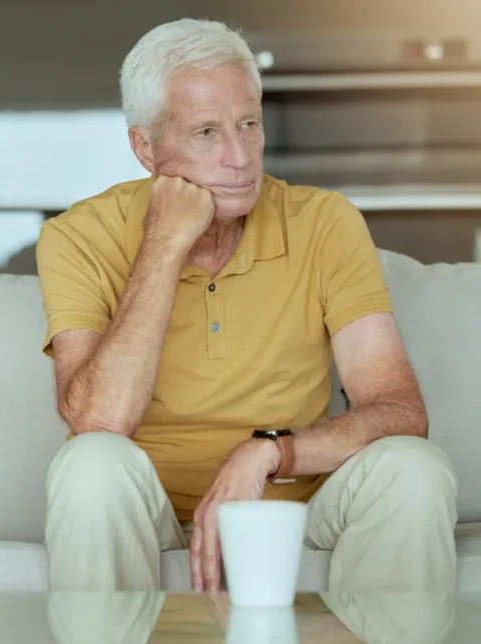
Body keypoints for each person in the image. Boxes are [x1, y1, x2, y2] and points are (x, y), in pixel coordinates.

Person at [37, 18, 458, 593]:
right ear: (146, 147)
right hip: (145, 514)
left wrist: (269, 454)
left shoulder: (325, 222)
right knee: (89, 464)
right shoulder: (78, 236)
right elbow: (98, 421)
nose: (239, 157)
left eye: (249, 125)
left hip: (293, 507)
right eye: (206, 132)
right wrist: (163, 244)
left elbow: (400, 412)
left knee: (415, 468)